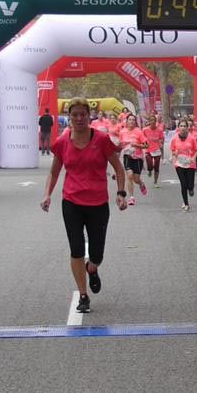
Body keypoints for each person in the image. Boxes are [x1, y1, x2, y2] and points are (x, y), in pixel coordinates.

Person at [40, 98, 129, 314]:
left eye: (83, 114)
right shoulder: (62, 142)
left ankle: (93, 268)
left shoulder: (101, 139)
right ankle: (83, 294)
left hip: (98, 203)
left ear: (89, 116)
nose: (79, 118)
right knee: (76, 248)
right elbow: (54, 171)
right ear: (69, 117)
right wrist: (47, 195)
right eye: (75, 114)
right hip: (71, 201)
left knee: (97, 253)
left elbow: (118, 168)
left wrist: (120, 193)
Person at [170, 119, 197, 212]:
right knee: (183, 184)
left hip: (190, 163)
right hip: (179, 163)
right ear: (178, 127)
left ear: (187, 128)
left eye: (184, 126)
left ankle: (191, 189)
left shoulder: (192, 138)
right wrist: (175, 153)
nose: (182, 128)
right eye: (181, 126)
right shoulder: (174, 139)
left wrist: (194, 158)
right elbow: (172, 150)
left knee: (190, 185)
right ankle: (186, 204)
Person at [119, 115, 148, 205]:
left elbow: (146, 145)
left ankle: (141, 183)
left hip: (138, 157)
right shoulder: (122, 132)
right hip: (127, 156)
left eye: (133, 120)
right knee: (130, 175)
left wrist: (136, 145)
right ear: (126, 122)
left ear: (135, 122)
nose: (131, 121)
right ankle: (131, 198)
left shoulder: (139, 132)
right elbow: (120, 145)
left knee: (136, 179)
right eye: (129, 120)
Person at [143, 115, 165, 185]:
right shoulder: (145, 130)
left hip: (157, 150)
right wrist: (143, 144)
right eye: (151, 120)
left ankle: (155, 181)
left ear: (156, 121)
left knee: (156, 166)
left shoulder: (159, 130)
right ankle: (149, 170)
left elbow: (162, 138)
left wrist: (161, 143)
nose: (153, 122)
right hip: (148, 149)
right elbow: (141, 138)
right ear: (149, 121)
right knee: (149, 164)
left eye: (154, 120)